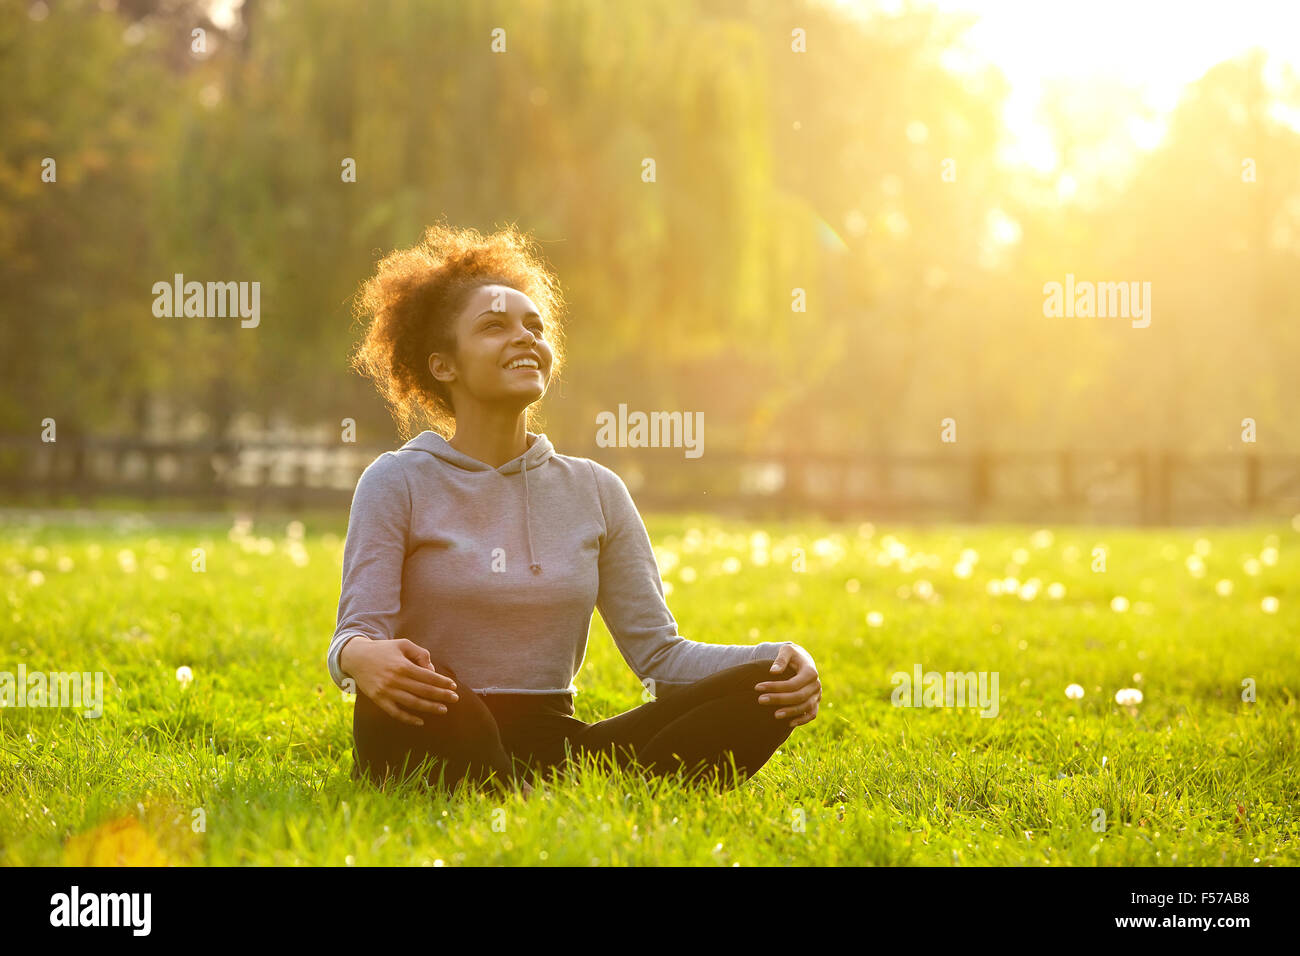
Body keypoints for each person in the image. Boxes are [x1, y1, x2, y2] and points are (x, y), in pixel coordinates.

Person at [329, 221, 822, 797]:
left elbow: (660, 656)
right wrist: (362, 659)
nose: (524, 338)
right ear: (444, 366)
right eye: (494, 327)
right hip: (431, 719)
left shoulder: (595, 489)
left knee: (768, 686)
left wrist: (785, 658)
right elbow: (356, 634)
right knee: (446, 699)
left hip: (553, 741)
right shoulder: (397, 480)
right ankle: (519, 787)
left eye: (534, 327)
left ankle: (519, 787)